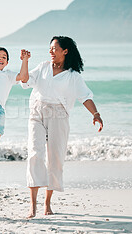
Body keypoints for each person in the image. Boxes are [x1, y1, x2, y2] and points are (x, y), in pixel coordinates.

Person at [21, 36, 104, 218]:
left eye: (54, 48)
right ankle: (32, 205)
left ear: (65, 51)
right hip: (37, 112)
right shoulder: (43, 66)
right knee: (35, 153)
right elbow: (25, 81)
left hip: (59, 115)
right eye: (50, 48)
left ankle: (47, 203)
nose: (51, 51)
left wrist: (95, 114)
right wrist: (25, 62)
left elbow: (85, 97)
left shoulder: (73, 76)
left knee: (55, 159)